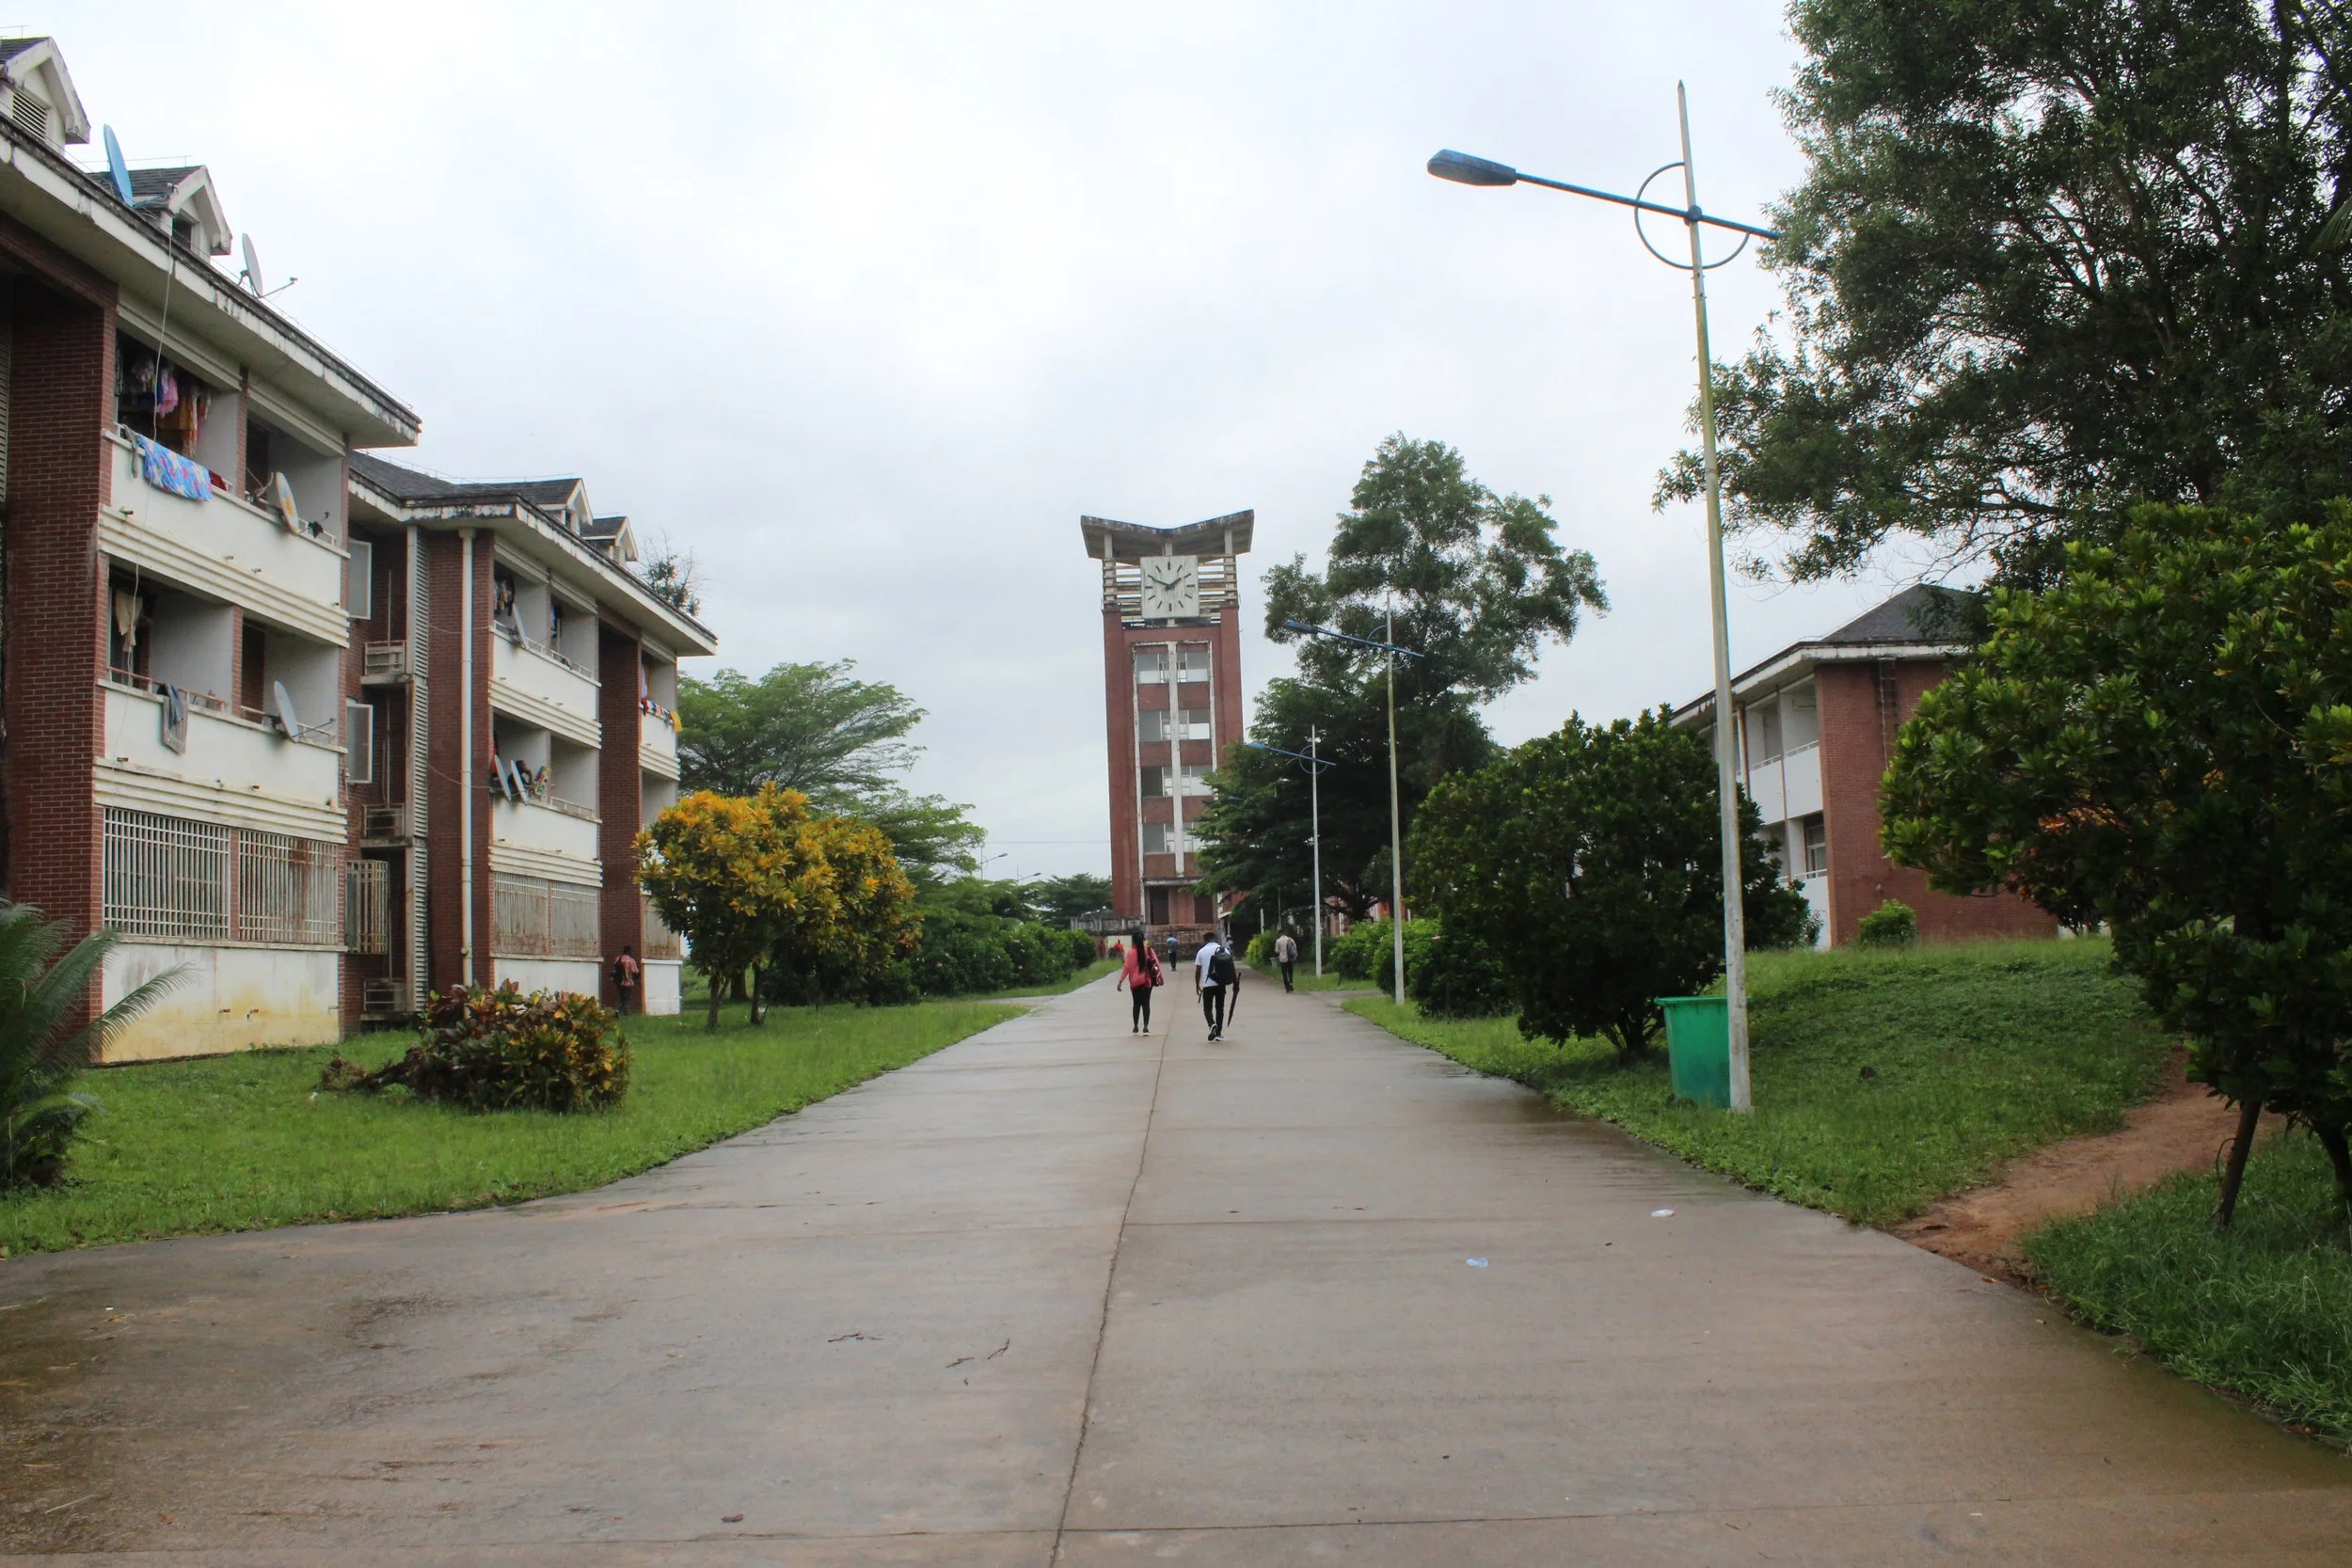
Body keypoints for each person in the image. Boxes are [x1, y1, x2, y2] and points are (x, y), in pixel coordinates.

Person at [1117, 929, 1162, 1034]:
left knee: (1136, 1004)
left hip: (1134, 984)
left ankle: (1136, 1026)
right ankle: (1145, 1026)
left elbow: (1126, 968)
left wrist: (1120, 981)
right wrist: (1160, 978)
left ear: (1133, 941)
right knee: (1146, 1004)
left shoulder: (1130, 953)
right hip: (1146, 982)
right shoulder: (1149, 951)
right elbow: (1156, 964)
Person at [1195, 928, 1235, 1041]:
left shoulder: (1201, 952)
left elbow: (1198, 970)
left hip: (1207, 985)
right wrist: (1234, 982)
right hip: (1221, 983)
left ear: (1205, 940)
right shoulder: (1224, 950)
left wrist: (1197, 984)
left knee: (1207, 1008)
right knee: (1220, 1008)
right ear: (1215, 939)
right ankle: (1218, 1034)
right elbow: (1231, 967)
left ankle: (1212, 1024)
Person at [610, 943, 641, 1015]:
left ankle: (622, 1012)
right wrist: (636, 980)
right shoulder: (631, 960)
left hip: (619, 982)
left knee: (622, 997)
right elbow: (635, 971)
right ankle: (619, 1011)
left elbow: (614, 968)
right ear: (629, 951)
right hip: (627, 983)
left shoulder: (618, 958)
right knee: (626, 999)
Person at [1274, 927, 1298, 992]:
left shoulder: (1278, 941)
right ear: (1284, 933)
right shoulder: (1290, 939)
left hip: (1283, 959)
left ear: (1279, 934)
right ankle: (1291, 984)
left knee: (1284, 972)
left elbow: (1276, 951)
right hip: (1290, 958)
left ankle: (1287, 987)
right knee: (1290, 971)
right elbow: (1294, 947)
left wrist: (1281, 950)